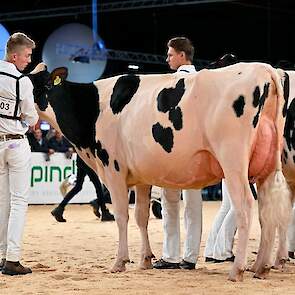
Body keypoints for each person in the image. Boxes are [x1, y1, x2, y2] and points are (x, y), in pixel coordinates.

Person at [153, 37, 202, 270]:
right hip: (196, 151)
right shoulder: (203, 80)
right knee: (193, 206)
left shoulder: (173, 80)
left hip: (172, 151)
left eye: (170, 54)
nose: (167, 58)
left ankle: (170, 255)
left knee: (170, 203)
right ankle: (190, 258)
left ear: (182, 55)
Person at [0, 32, 39, 275]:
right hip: (15, 142)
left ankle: (1, 255)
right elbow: (32, 117)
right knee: (18, 202)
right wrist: (27, 120)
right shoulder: (22, 81)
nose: (29, 60)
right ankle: (12, 259)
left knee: (2, 201)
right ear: (15, 56)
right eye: (27, 56)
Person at [51, 154, 115, 222]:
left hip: (80, 159)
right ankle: (104, 212)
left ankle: (59, 209)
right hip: (88, 160)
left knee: (78, 186)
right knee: (98, 186)